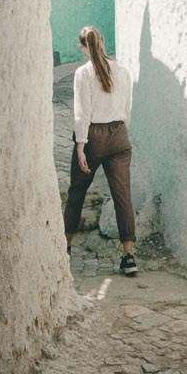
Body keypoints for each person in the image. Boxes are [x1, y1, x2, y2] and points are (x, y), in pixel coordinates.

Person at [65, 25, 137, 276]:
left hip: (93, 137)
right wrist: (119, 132)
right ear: (103, 41)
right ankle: (129, 256)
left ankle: (65, 248)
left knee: (77, 192)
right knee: (123, 196)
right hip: (119, 136)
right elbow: (127, 109)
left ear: (82, 48)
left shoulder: (83, 73)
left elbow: (81, 113)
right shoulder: (123, 71)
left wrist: (81, 145)